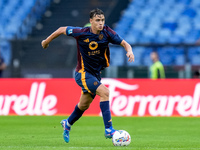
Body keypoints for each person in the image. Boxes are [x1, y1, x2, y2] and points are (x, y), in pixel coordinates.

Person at [41, 8, 134, 143]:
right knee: (105, 92)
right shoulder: (81, 33)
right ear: (91, 21)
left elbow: (125, 43)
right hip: (82, 74)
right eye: (97, 20)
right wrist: (46, 41)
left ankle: (67, 123)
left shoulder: (107, 32)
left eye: (102, 20)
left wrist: (129, 51)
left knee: (84, 105)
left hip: (95, 75)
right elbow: (62, 29)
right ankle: (109, 129)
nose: (100, 23)